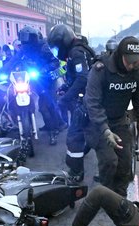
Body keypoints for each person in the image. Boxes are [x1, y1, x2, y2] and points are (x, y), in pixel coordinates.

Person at [84, 36, 139, 196]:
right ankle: (106, 195)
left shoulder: (137, 73)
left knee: (125, 162)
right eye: (130, 61)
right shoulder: (100, 70)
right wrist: (104, 130)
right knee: (109, 161)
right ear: (120, 55)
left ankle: (120, 196)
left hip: (120, 120)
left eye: (137, 61)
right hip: (97, 123)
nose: (133, 65)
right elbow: (92, 103)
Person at [47, 24, 97, 183]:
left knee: (74, 137)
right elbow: (77, 77)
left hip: (85, 100)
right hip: (92, 98)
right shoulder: (81, 49)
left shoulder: (76, 53)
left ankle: (76, 172)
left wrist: (65, 98)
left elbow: (82, 78)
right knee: (88, 133)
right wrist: (66, 87)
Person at [11, 26, 65, 136]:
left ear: (34, 39)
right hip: (36, 79)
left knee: (47, 105)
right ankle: (53, 125)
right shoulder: (24, 49)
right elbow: (14, 60)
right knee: (42, 106)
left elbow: (56, 62)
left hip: (49, 79)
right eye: (24, 40)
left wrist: (45, 69)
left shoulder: (45, 48)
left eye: (28, 40)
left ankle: (56, 127)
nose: (26, 43)